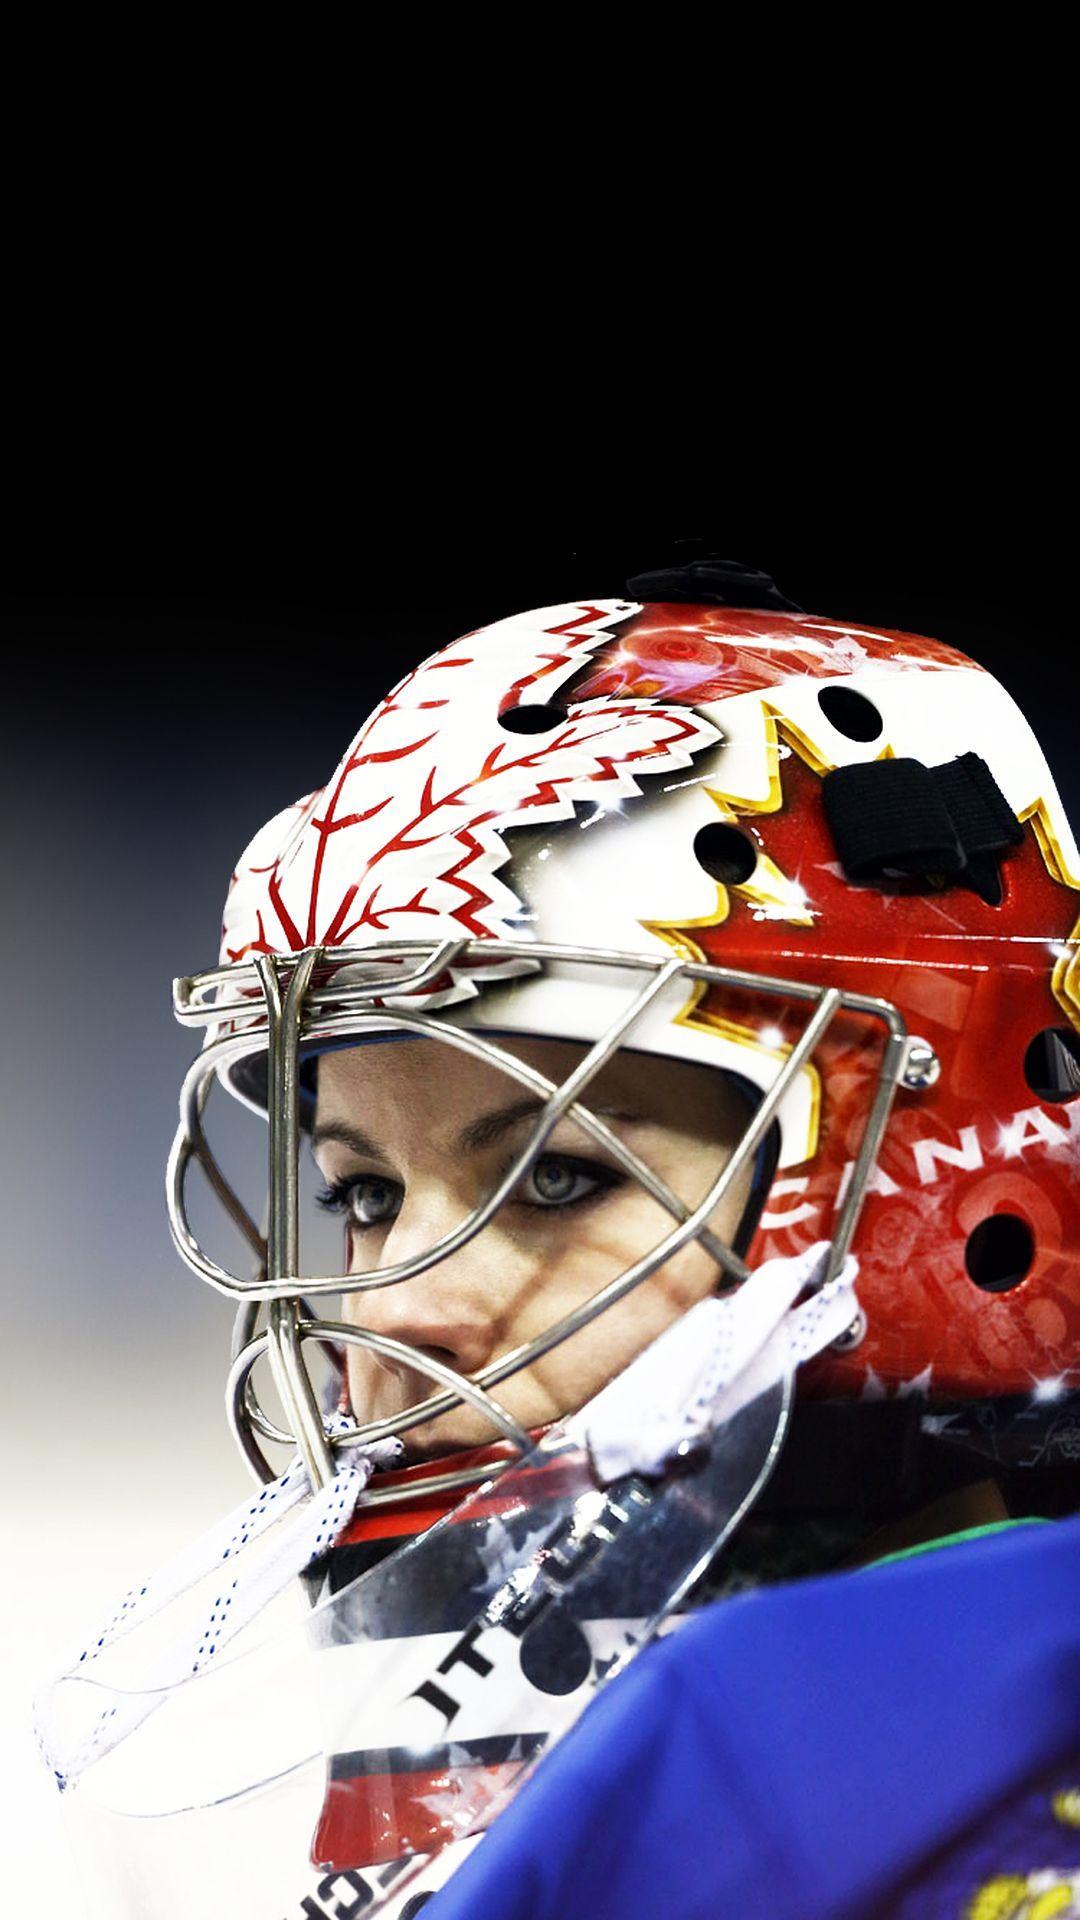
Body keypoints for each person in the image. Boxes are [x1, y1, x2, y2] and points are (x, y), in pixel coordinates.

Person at [37, 559, 1080, 1918]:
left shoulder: (774, 1777)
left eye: (557, 1179)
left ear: (928, 1191)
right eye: (363, 1194)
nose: (392, 1316)